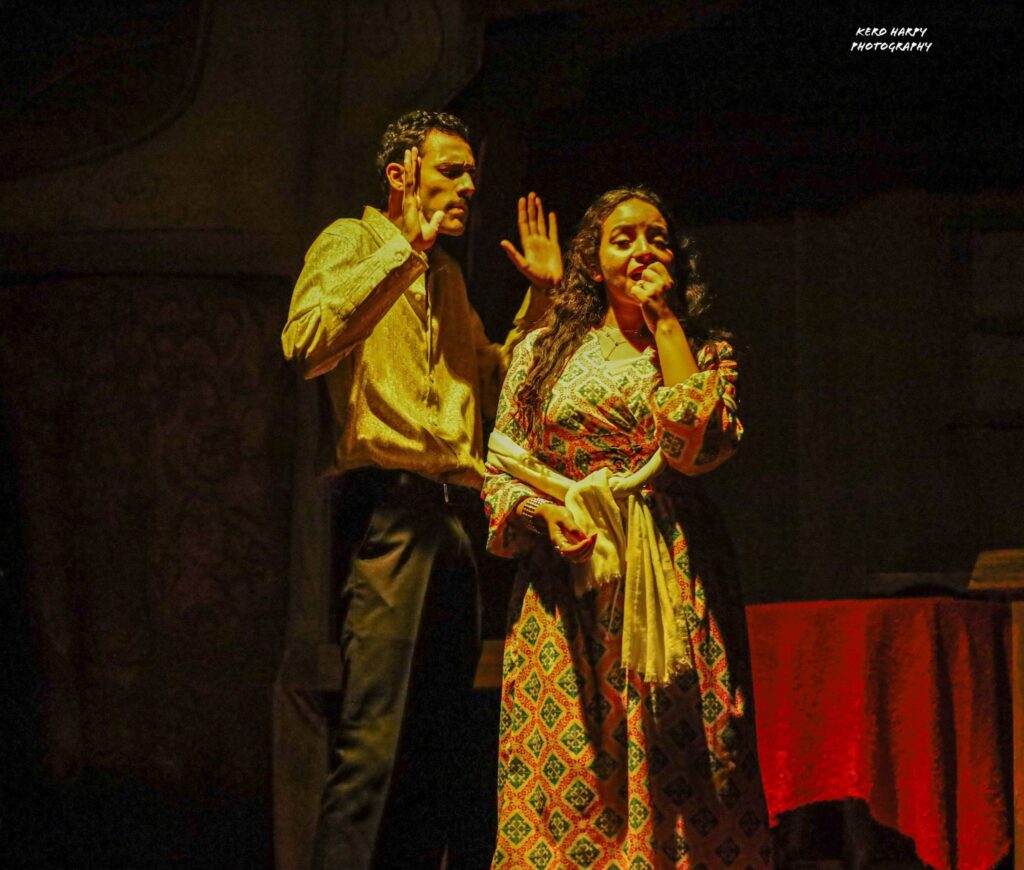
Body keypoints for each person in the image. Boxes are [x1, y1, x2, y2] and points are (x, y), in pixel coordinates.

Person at [281, 110, 562, 870]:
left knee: (437, 745)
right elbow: (304, 344)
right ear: (401, 174)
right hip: (389, 511)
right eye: (450, 170)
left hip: (453, 516)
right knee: (373, 742)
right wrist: (400, 253)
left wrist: (541, 301)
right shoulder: (351, 242)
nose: (468, 186)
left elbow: (493, 383)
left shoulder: (448, 276)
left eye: (472, 173)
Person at [483, 186, 773, 868]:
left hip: (670, 575)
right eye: (624, 238)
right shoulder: (542, 351)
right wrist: (545, 513)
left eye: (657, 238)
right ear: (593, 263)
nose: (643, 249)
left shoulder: (704, 350)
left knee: (688, 757)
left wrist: (664, 321)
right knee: (570, 778)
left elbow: (695, 450)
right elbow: (502, 464)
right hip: (567, 590)